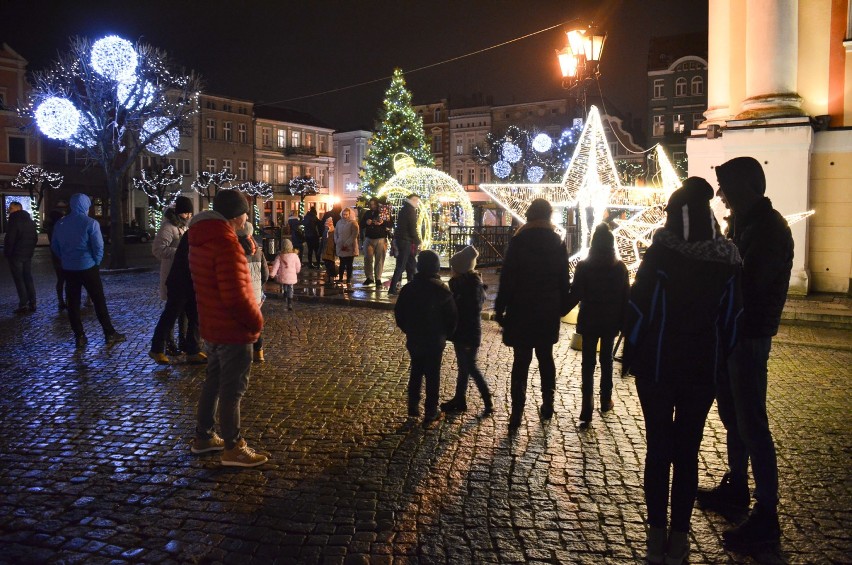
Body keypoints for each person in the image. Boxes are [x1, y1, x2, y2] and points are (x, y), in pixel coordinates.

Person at [623, 177, 742, 565]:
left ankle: (656, 537)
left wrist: (632, 352)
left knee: (658, 449)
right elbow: (733, 320)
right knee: (687, 452)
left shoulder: (660, 255)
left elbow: (638, 309)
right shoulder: (727, 259)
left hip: (658, 367)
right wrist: (722, 359)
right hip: (701, 369)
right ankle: (680, 538)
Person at [696, 156, 794, 551]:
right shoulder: (746, 225)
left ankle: (767, 514)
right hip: (733, 332)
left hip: (749, 335)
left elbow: (746, 283)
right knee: (734, 416)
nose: (720, 194)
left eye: (726, 186)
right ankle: (737, 485)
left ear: (748, 186)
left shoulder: (770, 230)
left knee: (752, 422)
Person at [188, 189, 266, 467]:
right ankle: (234, 447)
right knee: (233, 390)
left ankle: (204, 436)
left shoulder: (200, 239)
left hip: (212, 324)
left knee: (213, 382)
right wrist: (256, 322)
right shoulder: (225, 243)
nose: (247, 216)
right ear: (236, 216)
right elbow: (235, 295)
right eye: (245, 211)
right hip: (232, 329)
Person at [494, 198, 571, 431]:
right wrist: (561, 306)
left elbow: (508, 277)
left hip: (522, 308)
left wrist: (500, 307)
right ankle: (548, 404)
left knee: (521, 360)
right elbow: (563, 279)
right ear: (549, 216)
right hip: (547, 308)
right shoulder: (557, 242)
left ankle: (517, 411)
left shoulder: (519, 240)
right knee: (546, 357)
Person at [563, 223, 630, 428]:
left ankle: (587, 404)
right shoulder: (619, 267)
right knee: (607, 360)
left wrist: (560, 309)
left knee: (588, 363)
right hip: (610, 320)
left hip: (590, 318)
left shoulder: (584, 265)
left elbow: (576, 293)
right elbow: (626, 298)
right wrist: (624, 322)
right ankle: (605, 399)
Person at [50, 193, 126, 348]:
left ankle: (79, 336)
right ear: (86, 206)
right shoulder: (90, 223)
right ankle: (109, 333)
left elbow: (55, 247)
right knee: (99, 301)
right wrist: (95, 262)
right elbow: (98, 247)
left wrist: (66, 259)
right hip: (87, 267)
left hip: (69, 268)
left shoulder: (60, 224)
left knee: (73, 303)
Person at [394, 250, 458, 428]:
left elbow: (400, 314)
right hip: (435, 340)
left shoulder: (409, 289)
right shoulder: (442, 290)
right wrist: (445, 334)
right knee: (433, 374)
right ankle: (431, 410)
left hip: (415, 338)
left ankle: (413, 406)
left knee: (416, 371)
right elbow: (452, 317)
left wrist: (409, 330)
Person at [440, 245, 493, 418]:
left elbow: (465, 311)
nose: (451, 271)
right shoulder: (463, 284)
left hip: (468, 334)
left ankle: (487, 400)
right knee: (464, 368)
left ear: (461, 270)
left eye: (454, 268)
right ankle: (459, 399)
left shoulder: (469, 288)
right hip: (462, 332)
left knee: (471, 367)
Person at [149, 231, 206, 365]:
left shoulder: (196, 233)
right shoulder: (194, 235)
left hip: (190, 281)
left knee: (195, 316)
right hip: (181, 282)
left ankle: (193, 349)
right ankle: (156, 349)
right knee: (170, 315)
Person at [151, 196, 193, 356]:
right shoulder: (169, 227)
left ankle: (183, 341)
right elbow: (158, 249)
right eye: (186, 213)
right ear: (179, 212)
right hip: (172, 273)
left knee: (183, 312)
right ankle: (169, 343)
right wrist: (180, 253)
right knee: (172, 311)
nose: (189, 216)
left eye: (190, 213)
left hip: (183, 273)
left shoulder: (182, 227)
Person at [237, 222, 269, 363]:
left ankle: (244, 354)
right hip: (255, 294)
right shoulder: (258, 250)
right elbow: (266, 274)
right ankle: (259, 352)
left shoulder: (236, 249)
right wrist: (258, 286)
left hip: (242, 292)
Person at [4, 201, 38, 314]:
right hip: (27, 254)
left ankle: (23, 303)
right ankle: (32, 301)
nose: (9, 210)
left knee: (19, 279)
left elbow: (10, 239)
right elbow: (35, 238)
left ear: (17, 209)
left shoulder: (14, 221)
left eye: (11, 208)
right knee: (27, 277)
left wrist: (8, 253)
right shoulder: (30, 221)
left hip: (16, 255)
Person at [388, 193, 421, 295]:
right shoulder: (410, 211)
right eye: (417, 201)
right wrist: (417, 240)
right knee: (401, 266)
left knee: (412, 264)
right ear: (413, 200)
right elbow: (412, 228)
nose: (418, 203)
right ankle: (392, 289)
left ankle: (415, 287)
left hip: (402, 240)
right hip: (406, 241)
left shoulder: (404, 209)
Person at [361, 197, 392, 287]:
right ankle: (369, 277)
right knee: (367, 258)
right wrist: (366, 222)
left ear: (378, 204)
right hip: (369, 238)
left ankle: (378, 278)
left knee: (379, 259)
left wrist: (382, 223)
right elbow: (361, 224)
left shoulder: (384, 212)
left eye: (374, 204)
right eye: (371, 204)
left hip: (380, 238)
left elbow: (390, 224)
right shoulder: (367, 213)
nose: (372, 206)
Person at [269, 238, 301, 311]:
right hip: (291, 276)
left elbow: (275, 266)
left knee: (285, 286)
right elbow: (298, 266)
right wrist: (297, 271)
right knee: (290, 287)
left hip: (283, 276)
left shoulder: (279, 256)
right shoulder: (295, 256)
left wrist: (272, 274)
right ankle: (290, 302)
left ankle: (285, 294)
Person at [334, 207, 359, 285]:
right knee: (341, 263)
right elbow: (336, 232)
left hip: (350, 247)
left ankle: (348, 279)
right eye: (343, 214)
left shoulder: (353, 223)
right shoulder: (339, 222)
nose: (344, 216)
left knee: (349, 264)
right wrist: (337, 241)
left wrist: (347, 244)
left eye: (346, 215)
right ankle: (340, 278)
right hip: (340, 245)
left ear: (349, 215)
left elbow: (354, 234)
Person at [320, 217, 337, 284]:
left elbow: (335, 241)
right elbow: (322, 242)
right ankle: (329, 277)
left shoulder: (333, 232)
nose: (326, 227)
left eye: (327, 225)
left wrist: (335, 250)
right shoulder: (325, 232)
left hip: (331, 250)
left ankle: (331, 278)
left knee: (331, 265)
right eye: (325, 225)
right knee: (327, 265)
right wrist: (320, 250)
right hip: (325, 251)